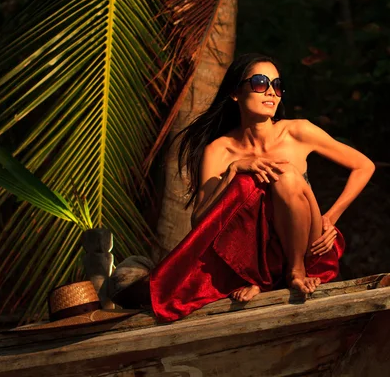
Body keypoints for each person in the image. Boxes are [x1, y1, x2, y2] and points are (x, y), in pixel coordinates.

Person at [150, 53, 375, 321]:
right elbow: (200, 220)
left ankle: (296, 271)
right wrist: (233, 172)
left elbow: (364, 166)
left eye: (277, 85)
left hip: (308, 246)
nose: (271, 91)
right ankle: (259, 278)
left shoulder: (298, 131)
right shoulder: (220, 150)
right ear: (235, 93)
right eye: (259, 82)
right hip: (256, 257)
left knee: (286, 175)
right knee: (245, 182)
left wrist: (331, 217)